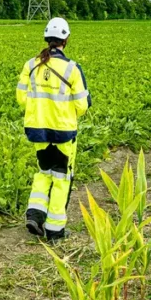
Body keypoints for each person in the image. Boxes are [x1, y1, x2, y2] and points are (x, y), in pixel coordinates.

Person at [15, 17, 91, 241]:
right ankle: (55, 230)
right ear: (66, 40)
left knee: (43, 171)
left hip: (37, 130)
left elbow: (21, 98)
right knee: (61, 179)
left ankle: (35, 214)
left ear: (47, 38)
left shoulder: (31, 65)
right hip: (62, 132)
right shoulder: (72, 69)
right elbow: (82, 106)